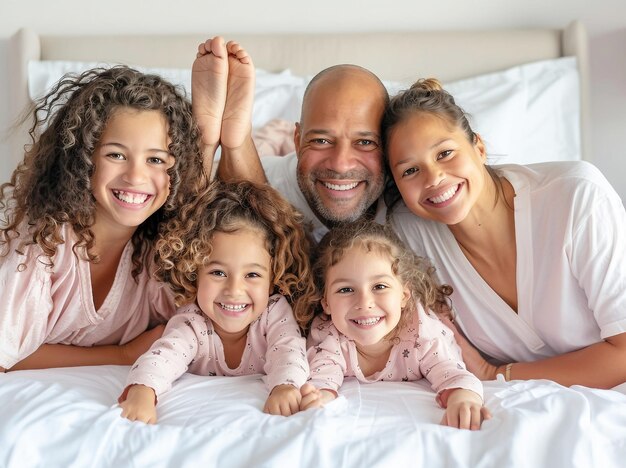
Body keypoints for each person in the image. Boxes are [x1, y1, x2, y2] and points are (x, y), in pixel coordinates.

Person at [382, 78, 626, 389]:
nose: (434, 178)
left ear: (479, 147)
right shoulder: (408, 236)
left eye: (444, 153)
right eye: (410, 171)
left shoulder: (576, 197)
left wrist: (492, 373)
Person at [0, 66, 208, 372]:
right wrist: (122, 355)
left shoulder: (160, 252)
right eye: (116, 155)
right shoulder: (40, 242)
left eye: (155, 160)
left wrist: (213, 136)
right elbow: (6, 358)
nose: (136, 176)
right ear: (83, 159)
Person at [118, 181, 316, 423]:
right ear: (194, 272)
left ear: (273, 278)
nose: (234, 290)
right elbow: (164, 356)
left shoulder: (274, 314)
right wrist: (143, 391)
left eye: (252, 275)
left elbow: (289, 351)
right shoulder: (193, 321)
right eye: (218, 273)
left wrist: (285, 387)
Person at [300, 220, 488, 430]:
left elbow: (452, 372)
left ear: (404, 296)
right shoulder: (327, 335)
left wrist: (462, 398)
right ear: (326, 302)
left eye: (379, 286)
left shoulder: (422, 333)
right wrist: (319, 396)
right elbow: (322, 376)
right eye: (345, 290)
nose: (364, 303)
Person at [192, 46, 390, 242]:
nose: (340, 164)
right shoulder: (266, 179)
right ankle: (230, 142)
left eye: (365, 142)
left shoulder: (405, 200)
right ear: (297, 141)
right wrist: (210, 143)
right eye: (321, 141)